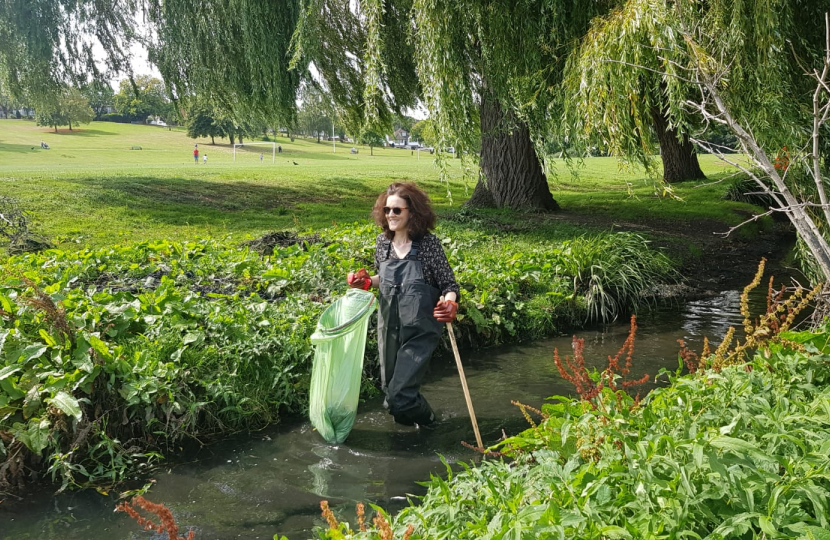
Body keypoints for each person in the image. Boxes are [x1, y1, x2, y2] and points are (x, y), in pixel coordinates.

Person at [347, 182, 459, 428]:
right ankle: (418, 435)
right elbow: (383, 278)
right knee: (391, 399)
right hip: (388, 329)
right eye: (387, 210)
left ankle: (431, 424)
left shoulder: (428, 246)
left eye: (397, 210)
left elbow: (449, 285)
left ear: (413, 212)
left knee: (401, 396)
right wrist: (366, 282)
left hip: (419, 332)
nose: (390, 215)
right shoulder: (382, 244)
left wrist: (450, 304)